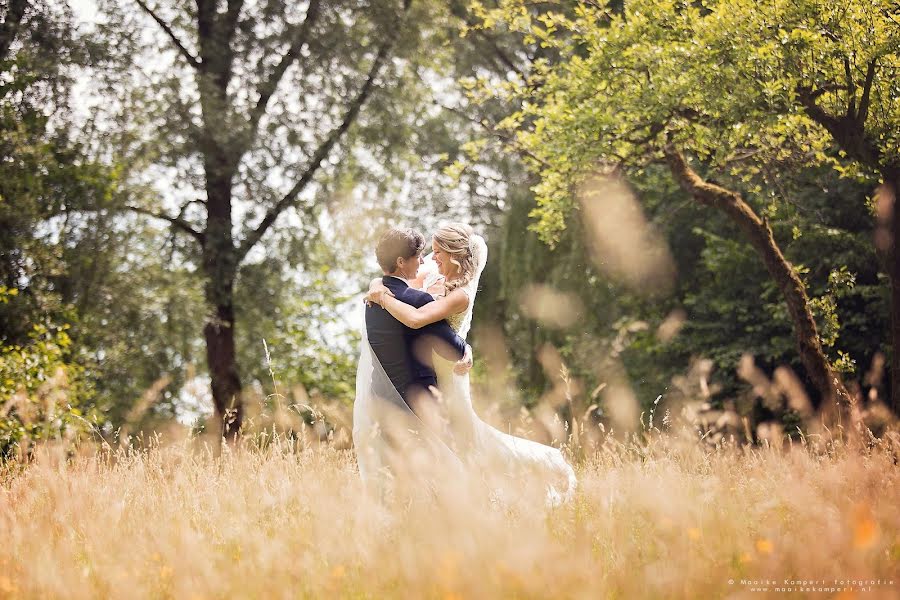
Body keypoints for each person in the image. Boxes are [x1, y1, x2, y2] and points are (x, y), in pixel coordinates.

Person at [365, 223, 577, 507]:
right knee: (452, 443)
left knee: (465, 440)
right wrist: (377, 285)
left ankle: (506, 488)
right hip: (428, 372)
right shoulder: (428, 280)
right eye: (431, 252)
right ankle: (469, 499)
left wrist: (383, 297)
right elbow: (396, 281)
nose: (431, 257)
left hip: (450, 373)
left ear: (454, 254)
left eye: (438, 252)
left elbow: (415, 318)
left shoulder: (460, 293)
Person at [352, 227, 473, 496]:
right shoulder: (417, 299)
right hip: (420, 403)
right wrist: (467, 347)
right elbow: (453, 350)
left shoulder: (372, 302)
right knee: (439, 476)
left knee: (393, 477)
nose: (423, 262)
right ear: (400, 262)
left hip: (380, 400)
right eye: (418, 256)